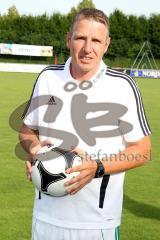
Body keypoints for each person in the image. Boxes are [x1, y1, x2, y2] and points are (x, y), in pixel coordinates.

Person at [19, 8, 151, 240]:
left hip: (96, 224)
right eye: (81, 38)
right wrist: (34, 150)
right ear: (69, 39)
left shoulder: (123, 85)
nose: (88, 48)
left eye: (96, 40)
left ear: (106, 44)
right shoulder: (48, 77)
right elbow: (27, 131)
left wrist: (96, 167)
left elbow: (142, 151)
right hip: (45, 219)